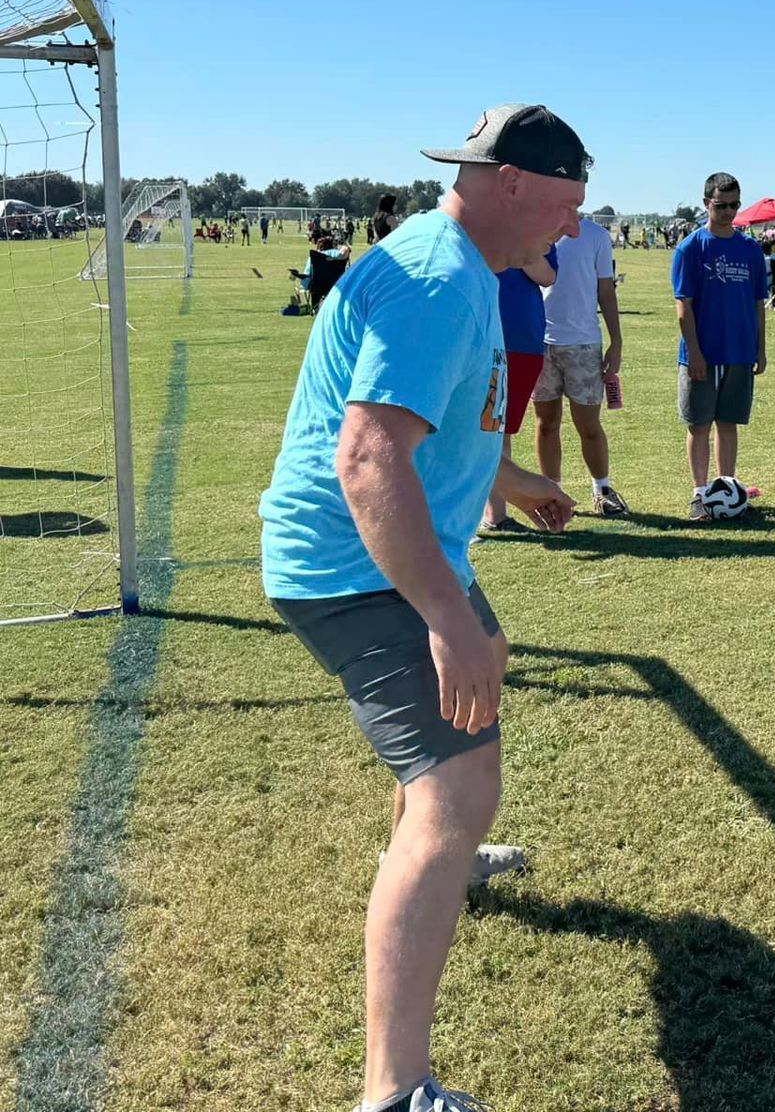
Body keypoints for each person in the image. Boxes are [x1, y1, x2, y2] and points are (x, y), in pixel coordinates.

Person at [259, 103, 585, 1112]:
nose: (575, 228)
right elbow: (367, 459)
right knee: (455, 793)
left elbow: (437, 429)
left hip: (392, 548)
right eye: (572, 204)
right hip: (353, 566)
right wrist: (445, 619)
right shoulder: (445, 280)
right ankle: (393, 1093)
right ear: (518, 185)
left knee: (461, 731)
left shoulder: (463, 266)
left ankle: (443, 848)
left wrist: (511, 482)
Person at [672, 173, 769, 519]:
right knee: (699, 425)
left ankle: (727, 490)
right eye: (721, 205)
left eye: (734, 205)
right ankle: (700, 494)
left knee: (728, 423)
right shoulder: (690, 248)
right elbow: (683, 305)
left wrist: (760, 347)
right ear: (706, 204)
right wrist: (695, 352)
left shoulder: (750, 249)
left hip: (740, 352)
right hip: (702, 354)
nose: (728, 212)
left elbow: (759, 303)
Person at [532, 211, 628, 515]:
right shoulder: (535, 228)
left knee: (588, 426)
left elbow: (606, 291)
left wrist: (617, 341)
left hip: (584, 344)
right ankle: (552, 492)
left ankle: (602, 489)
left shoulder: (596, 236)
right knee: (546, 424)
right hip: (540, 342)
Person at [480, 244, 558, 533]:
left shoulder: (541, 236)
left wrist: (521, 244)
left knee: (502, 428)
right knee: (489, 427)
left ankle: (495, 514)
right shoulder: (484, 226)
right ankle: (493, 514)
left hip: (524, 341)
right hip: (486, 340)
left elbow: (547, 276)